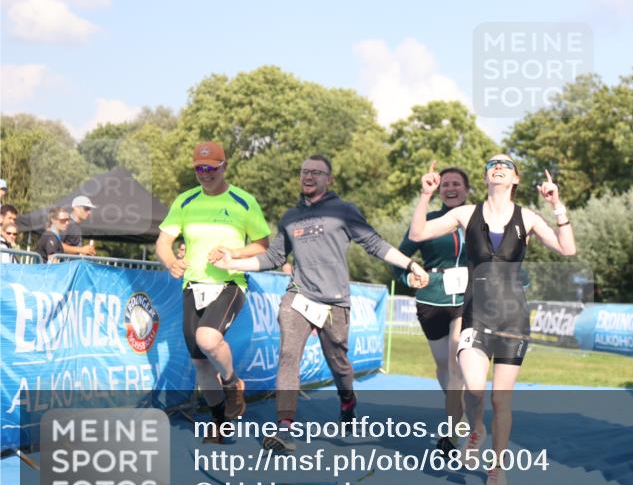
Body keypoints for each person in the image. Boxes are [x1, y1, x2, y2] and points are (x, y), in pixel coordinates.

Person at [212, 154, 429, 452]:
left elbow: (375, 244)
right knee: (288, 354)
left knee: (339, 364)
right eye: (304, 172)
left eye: (316, 172)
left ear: (330, 180)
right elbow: (274, 258)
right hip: (298, 296)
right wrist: (234, 263)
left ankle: (347, 399)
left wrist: (411, 265)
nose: (309, 177)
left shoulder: (343, 211)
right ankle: (285, 427)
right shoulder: (290, 217)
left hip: (334, 302)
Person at [408, 155, 575, 485]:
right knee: (473, 387)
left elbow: (567, 249)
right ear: (485, 179)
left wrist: (557, 205)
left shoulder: (527, 217)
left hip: (513, 316)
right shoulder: (465, 213)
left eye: (505, 166)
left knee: (501, 400)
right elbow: (418, 233)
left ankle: (497, 468)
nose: (497, 167)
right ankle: (477, 429)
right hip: (476, 312)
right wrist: (426, 195)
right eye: (490, 166)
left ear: (515, 179)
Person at [155, 142, 271, 441]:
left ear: (224, 167)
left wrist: (233, 251)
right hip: (193, 286)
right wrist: (171, 261)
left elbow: (262, 245)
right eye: (199, 169)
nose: (204, 174)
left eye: (211, 168)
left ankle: (233, 384)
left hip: (230, 285)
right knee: (201, 364)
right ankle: (220, 423)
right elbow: (163, 241)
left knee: (208, 338)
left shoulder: (243, 201)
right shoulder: (185, 200)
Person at [393, 166, 470, 455]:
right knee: (443, 365)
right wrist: (408, 277)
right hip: (432, 298)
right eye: (446, 184)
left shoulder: (479, 219)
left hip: (468, 297)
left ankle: (454, 429)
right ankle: (457, 409)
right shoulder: (427, 221)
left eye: (457, 184)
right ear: (439, 190)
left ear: (467, 190)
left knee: (456, 362)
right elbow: (398, 257)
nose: (451, 188)